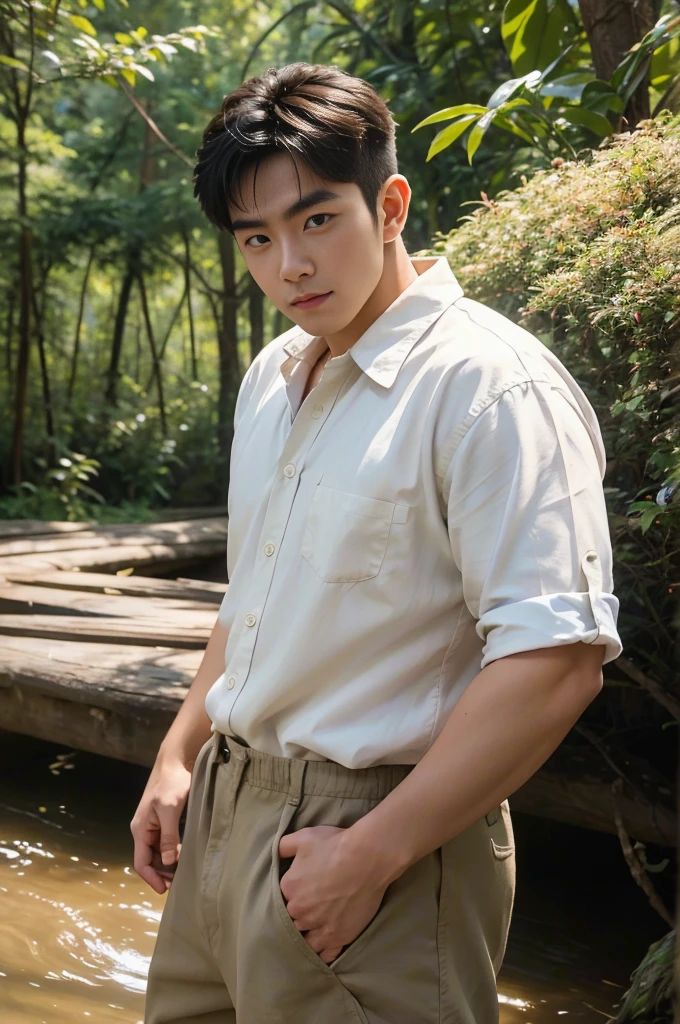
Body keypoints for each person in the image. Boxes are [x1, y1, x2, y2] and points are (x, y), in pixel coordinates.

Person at [134, 62, 622, 1024]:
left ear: (390, 205)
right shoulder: (275, 376)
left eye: (318, 220)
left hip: (377, 836)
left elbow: (558, 658)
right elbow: (256, 599)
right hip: (226, 816)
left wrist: (373, 852)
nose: (290, 267)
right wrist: (180, 751)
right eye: (258, 239)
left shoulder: (491, 388)